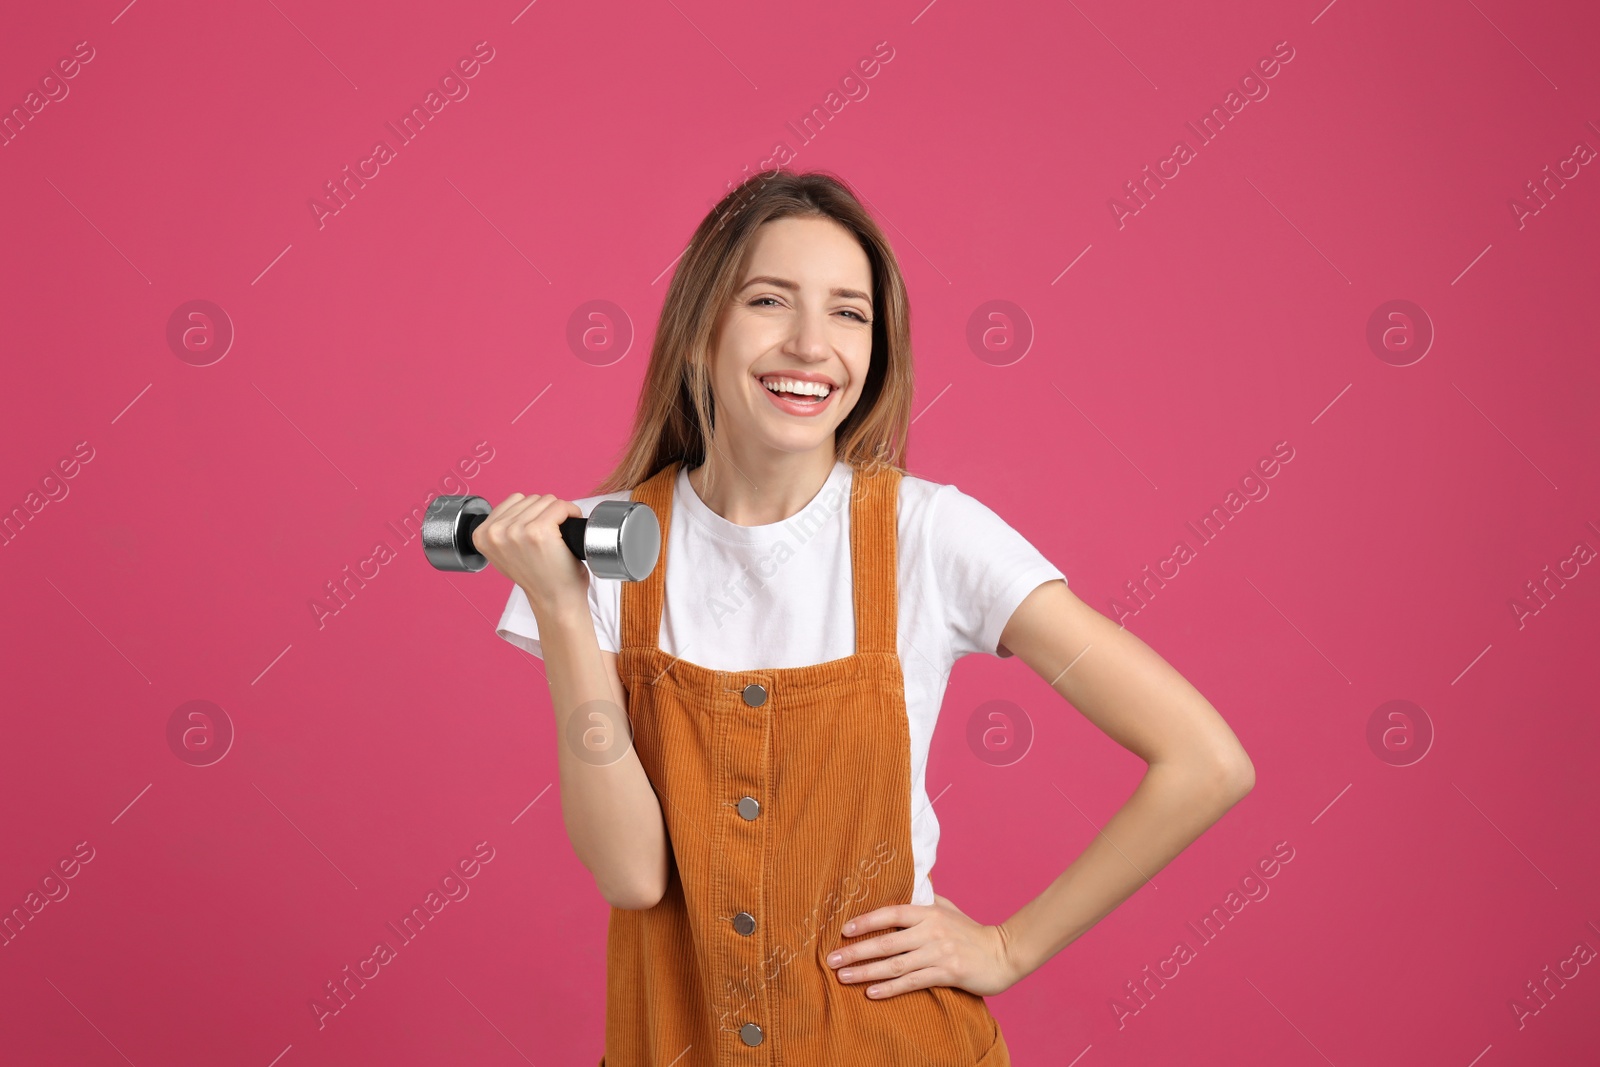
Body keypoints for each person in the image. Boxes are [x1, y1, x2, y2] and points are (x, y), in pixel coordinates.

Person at [472, 169, 1254, 1065]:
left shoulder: (928, 534)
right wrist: (563, 610)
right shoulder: (595, 549)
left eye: (850, 313)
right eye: (770, 300)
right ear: (700, 331)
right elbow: (631, 873)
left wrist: (1009, 945)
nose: (812, 345)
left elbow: (1207, 760)